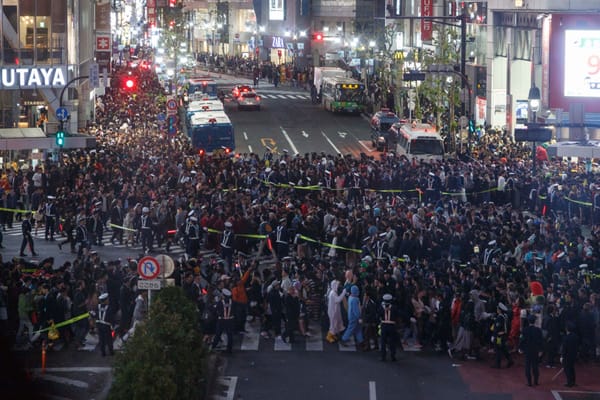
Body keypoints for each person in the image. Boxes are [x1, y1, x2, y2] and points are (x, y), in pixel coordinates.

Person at [520, 314, 543, 386]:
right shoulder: (538, 330)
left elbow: (522, 340)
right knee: (535, 366)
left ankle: (529, 382)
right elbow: (541, 341)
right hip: (535, 350)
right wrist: (541, 350)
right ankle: (536, 381)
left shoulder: (525, 330)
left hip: (527, 350)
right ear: (534, 321)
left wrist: (521, 348)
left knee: (527, 366)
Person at [211, 288, 234, 354]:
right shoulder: (232, 301)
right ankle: (229, 349)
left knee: (218, 334)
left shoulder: (220, 302)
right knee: (230, 335)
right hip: (230, 320)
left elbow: (214, 311)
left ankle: (213, 347)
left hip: (221, 320)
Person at [491, 302, 514, 368]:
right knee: (503, 348)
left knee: (497, 349)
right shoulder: (504, 316)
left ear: (500, 310)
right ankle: (510, 360)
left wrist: (494, 335)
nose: (497, 310)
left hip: (499, 336)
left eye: (498, 309)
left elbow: (497, 328)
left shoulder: (499, 318)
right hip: (503, 336)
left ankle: (497, 364)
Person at [378, 293, 399, 361]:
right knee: (392, 341)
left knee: (383, 342)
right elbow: (398, 315)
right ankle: (393, 355)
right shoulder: (394, 307)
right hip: (392, 325)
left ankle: (383, 356)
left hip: (384, 325)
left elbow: (378, 315)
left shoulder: (381, 307)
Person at [561, 322, 578, 387]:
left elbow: (564, 348)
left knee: (567, 369)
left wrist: (562, 356)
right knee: (572, 368)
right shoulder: (576, 337)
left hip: (567, 356)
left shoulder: (566, 338)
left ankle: (569, 382)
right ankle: (573, 381)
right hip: (573, 355)